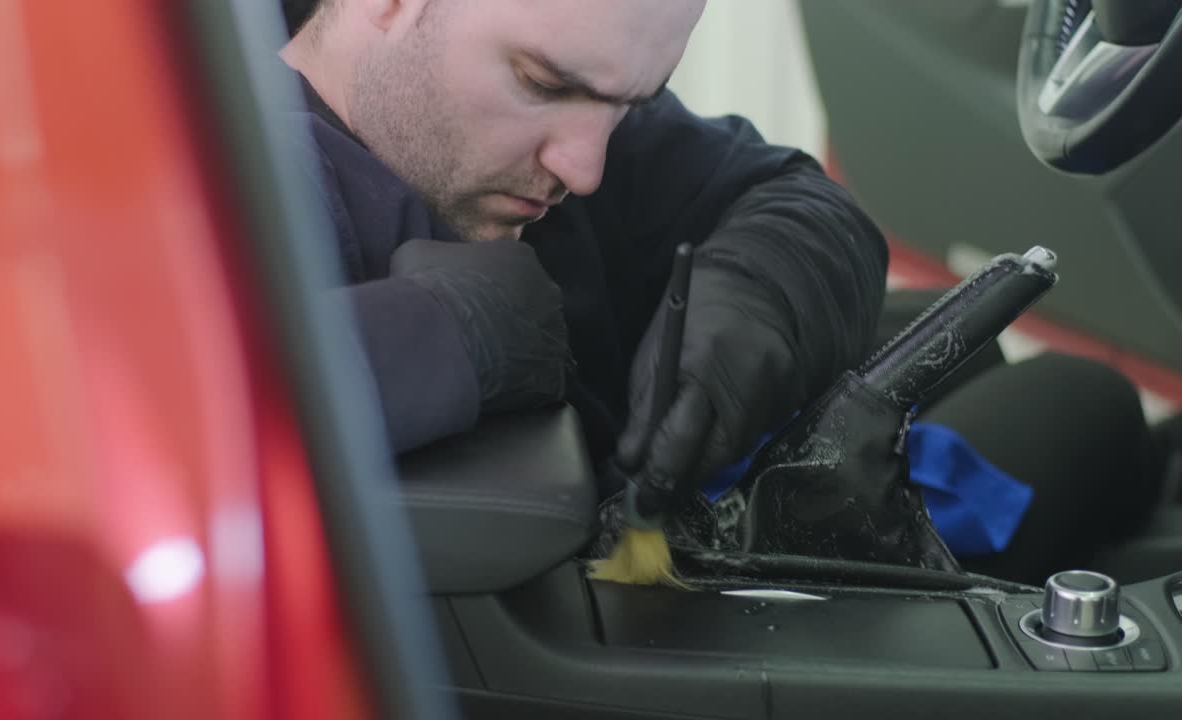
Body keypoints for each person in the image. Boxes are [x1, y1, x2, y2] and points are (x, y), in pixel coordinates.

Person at [274, 0, 1163, 585]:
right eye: (543, 84)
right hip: (641, 619)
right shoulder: (238, 194)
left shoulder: (572, 82)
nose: (585, 168)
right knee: (1089, 402)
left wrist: (753, 299)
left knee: (975, 350)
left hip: (682, 482)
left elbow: (796, 199)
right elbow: (198, 417)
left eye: (627, 105)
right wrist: (453, 333)